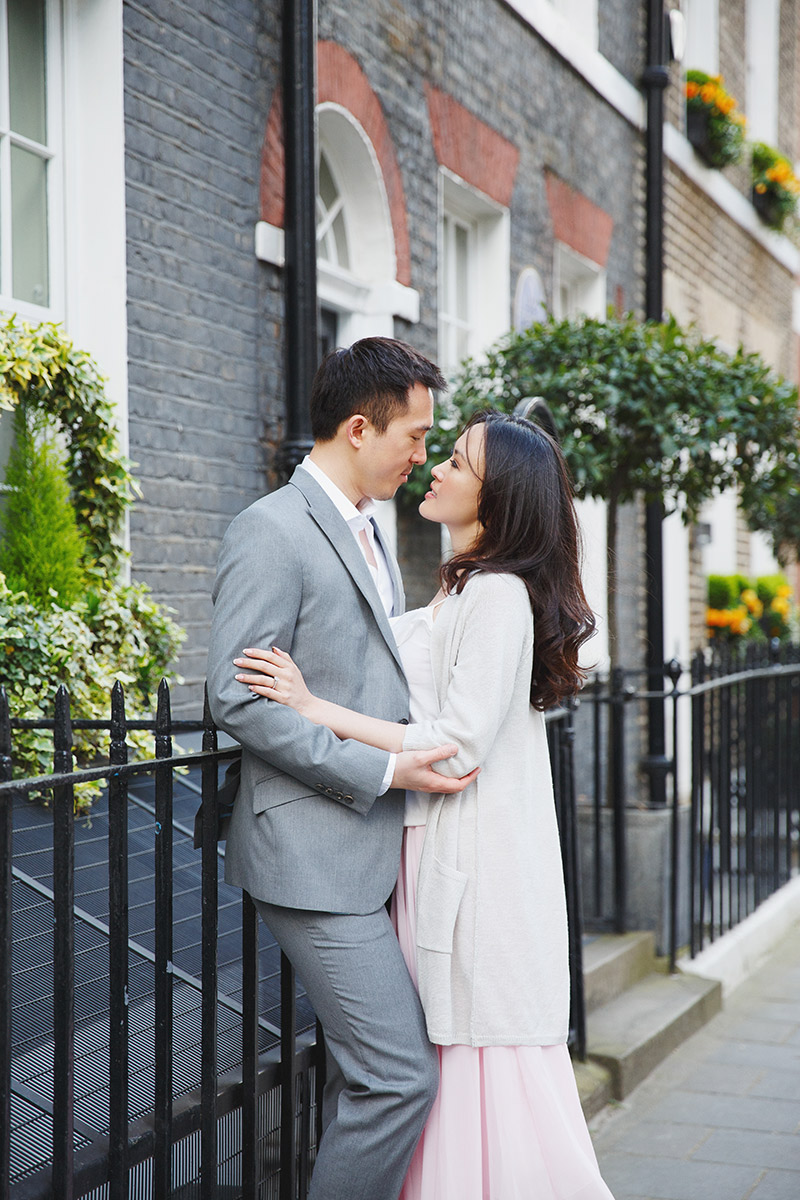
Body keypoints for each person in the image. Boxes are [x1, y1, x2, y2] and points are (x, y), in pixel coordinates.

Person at [234, 410, 616, 1200]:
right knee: (435, 1057)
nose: (433, 468)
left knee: (475, 1054)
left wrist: (312, 708)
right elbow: (381, 660)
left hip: (477, 869)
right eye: (436, 451)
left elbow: (455, 742)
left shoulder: (498, 594)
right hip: (432, 853)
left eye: (455, 462)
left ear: (498, 496)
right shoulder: (459, 587)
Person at [206, 337, 479, 1200]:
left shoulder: (370, 526)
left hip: (368, 853)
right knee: (399, 1078)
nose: (422, 456)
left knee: (362, 1075)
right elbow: (238, 700)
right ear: (360, 428)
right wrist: (385, 773)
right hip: (312, 858)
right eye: (414, 435)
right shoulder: (271, 529)